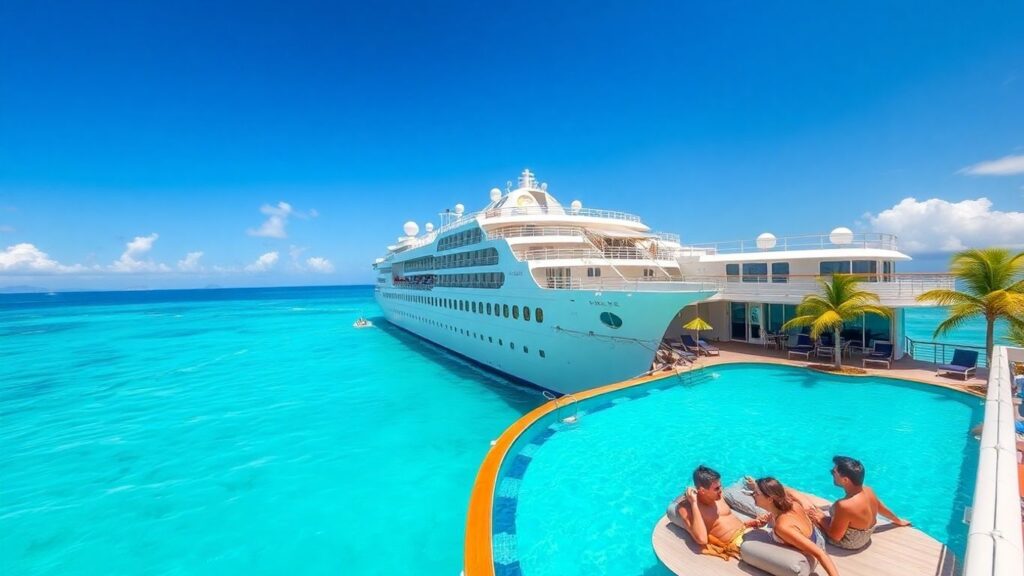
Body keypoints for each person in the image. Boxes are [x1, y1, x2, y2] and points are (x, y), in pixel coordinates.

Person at [806, 456, 911, 550]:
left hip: (850, 542)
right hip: (866, 536)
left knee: (808, 517)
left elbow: (835, 536)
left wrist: (821, 519)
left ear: (845, 480)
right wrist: (898, 521)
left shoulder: (844, 505)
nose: (831, 474)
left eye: (833, 472)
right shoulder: (869, 491)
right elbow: (881, 508)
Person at [749, 476, 841, 576]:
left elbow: (820, 553)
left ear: (770, 499)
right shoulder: (792, 504)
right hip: (818, 538)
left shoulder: (782, 526)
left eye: (756, 494)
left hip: (808, 558)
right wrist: (769, 517)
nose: (753, 495)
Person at [677, 465, 764, 560]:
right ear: (702, 491)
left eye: (720, 486)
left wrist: (750, 523)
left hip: (748, 531)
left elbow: (726, 521)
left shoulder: (718, 496)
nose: (721, 490)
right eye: (716, 488)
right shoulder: (686, 509)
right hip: (739, 544)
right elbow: (702, 539)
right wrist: (694, 503)